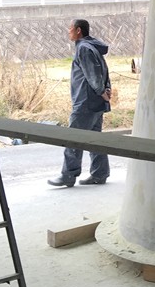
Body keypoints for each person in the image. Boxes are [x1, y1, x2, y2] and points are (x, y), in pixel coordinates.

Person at [48, 19, 112, 187]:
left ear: (78, 30)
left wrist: (101, 91)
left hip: (85, 102)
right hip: (94, 102)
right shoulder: (92, 47)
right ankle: (100, 173)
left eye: (70, 28)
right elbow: (102, 71)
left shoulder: (83, 48)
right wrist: (105, 91)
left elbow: (92, 74)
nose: (68, 31)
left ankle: (68, 175)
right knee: (94, 139)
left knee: (73, 138)